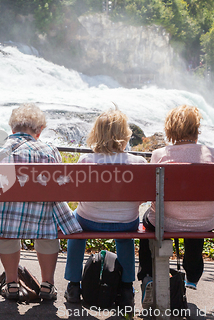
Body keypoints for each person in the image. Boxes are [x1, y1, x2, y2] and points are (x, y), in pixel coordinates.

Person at [0, 103, 82, 301]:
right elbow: (60, 186)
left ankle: (11, 284)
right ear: (39, 130)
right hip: (40, 218)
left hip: (4, 218)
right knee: (48, 224)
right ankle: (47, 284)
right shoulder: (50, 150)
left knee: (6, 226)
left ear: (12, 129)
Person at [137, 105, 214, 306]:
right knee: (194, 216)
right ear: (196, 128)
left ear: (170, 129)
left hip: (166, 221)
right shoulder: (211, 153)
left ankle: (147, 275)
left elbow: (150, 193)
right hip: (204, 222)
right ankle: (192, 275)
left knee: (148, 220)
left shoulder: (159, 154)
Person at [63, 108, 147, 307]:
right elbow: (145, 197)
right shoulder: (139, 162)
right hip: (126, 222)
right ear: (125, 136)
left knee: (75, 228)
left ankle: (74, 285)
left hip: (89, 219)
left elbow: (77, 194)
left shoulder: (86, 161)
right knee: (125, 239)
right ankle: (126, 288)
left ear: (96, 134)